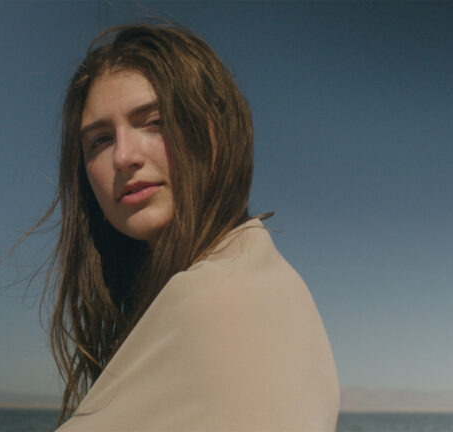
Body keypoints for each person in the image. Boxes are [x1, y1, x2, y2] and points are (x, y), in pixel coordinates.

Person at [25, 22, 339, 430]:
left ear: (216, 133)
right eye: (100, 140)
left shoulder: (219, 302)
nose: (123, 156)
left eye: (153, 121)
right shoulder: (266, 283)